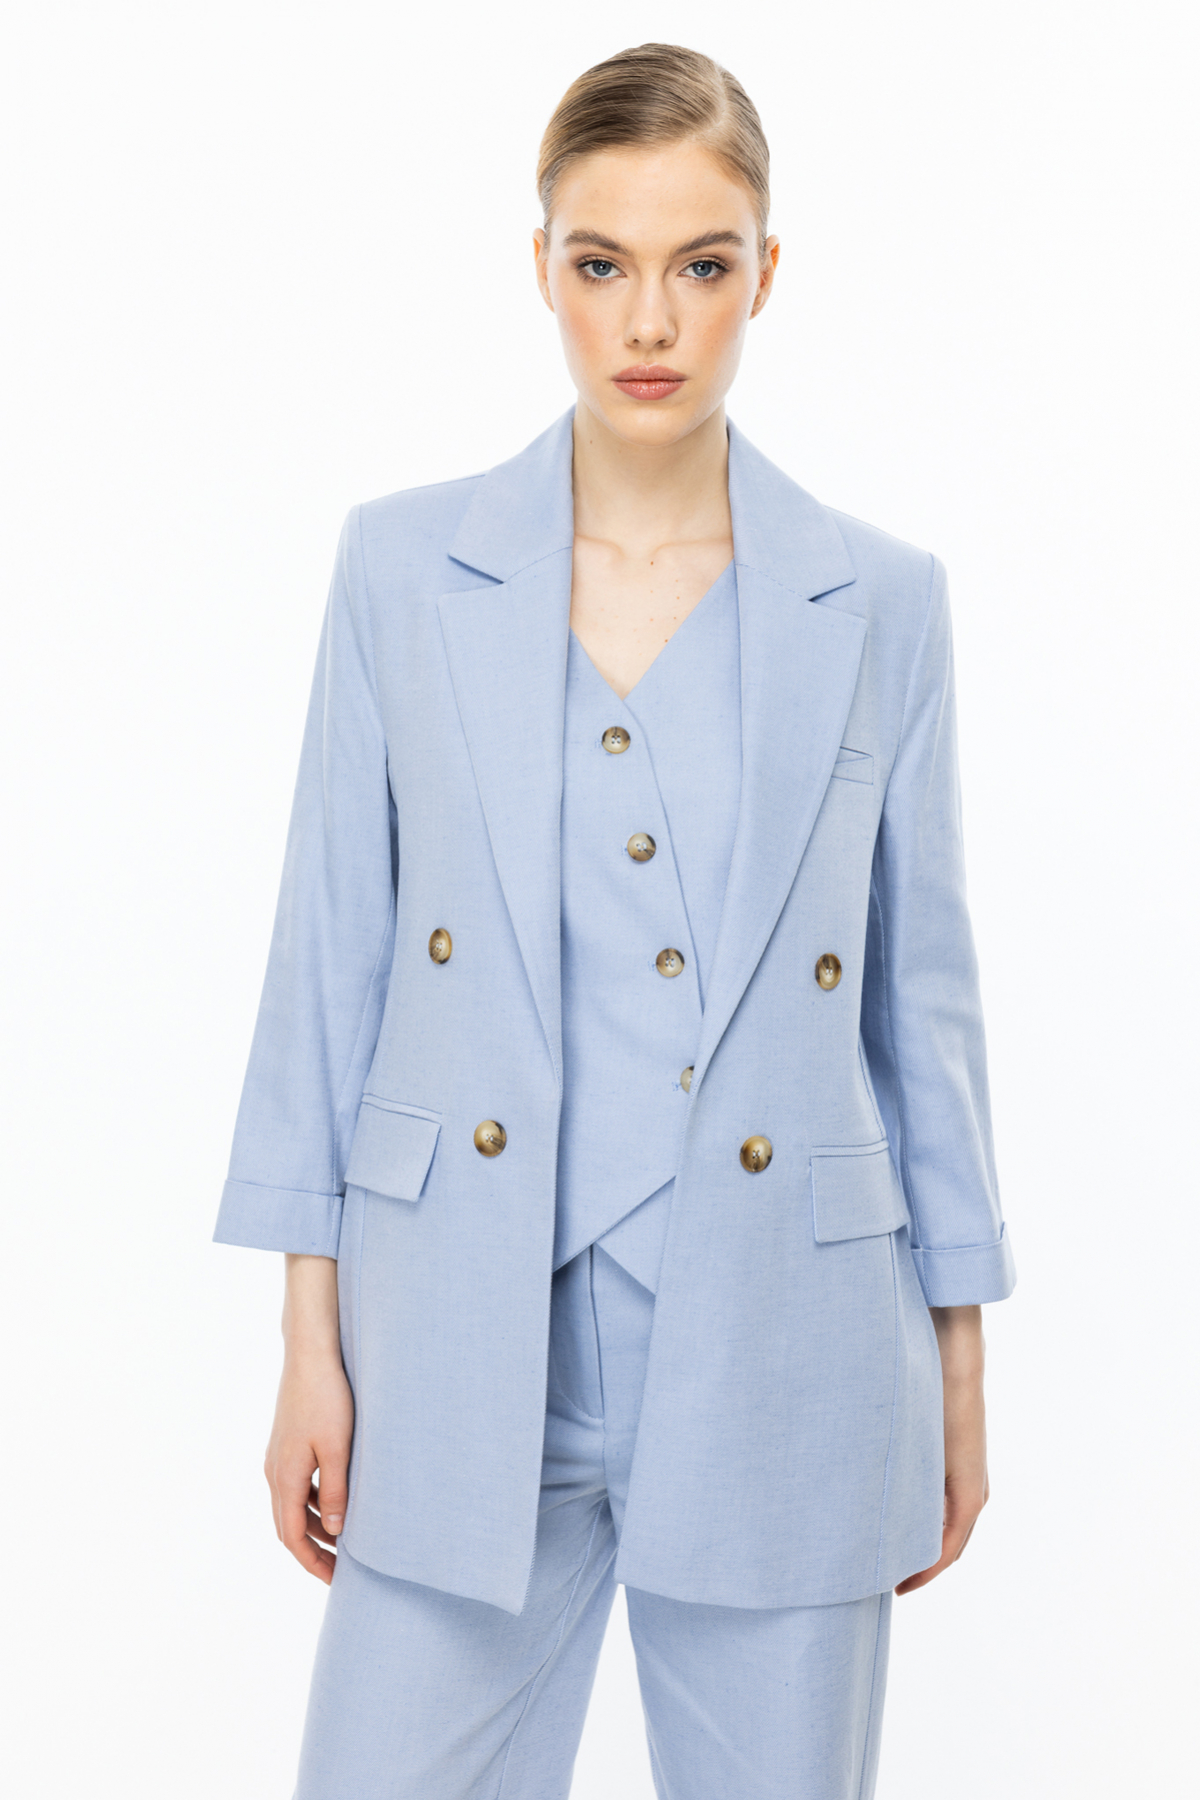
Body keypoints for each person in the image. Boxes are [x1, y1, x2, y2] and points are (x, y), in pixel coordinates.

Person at [214, 41, 1015, 1800]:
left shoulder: (881, 600)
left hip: (792, 1341)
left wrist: (957, 1370)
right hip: (453, 1340)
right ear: (542, 269)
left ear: (766, 275)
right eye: (603, 263)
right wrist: (306, 1346)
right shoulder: (401, 571)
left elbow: (922, 1005)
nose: (650, 321)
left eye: (700, 265)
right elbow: (328, 963)